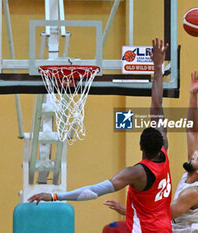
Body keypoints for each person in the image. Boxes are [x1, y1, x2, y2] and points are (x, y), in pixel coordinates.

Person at [28, 37, 172, 233]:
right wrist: (158, 67)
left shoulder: (136, 172)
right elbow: (158, 105)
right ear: (161, 143)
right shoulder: (164, 154)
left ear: (140, 147)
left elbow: (92, 192)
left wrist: (54, 197)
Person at [104, 70, 198, 233]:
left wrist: (125, 211)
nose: (195, 154)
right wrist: (193, 94)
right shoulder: (193, 173)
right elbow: (191, 131)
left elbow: (161, 214)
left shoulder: (193, 193)